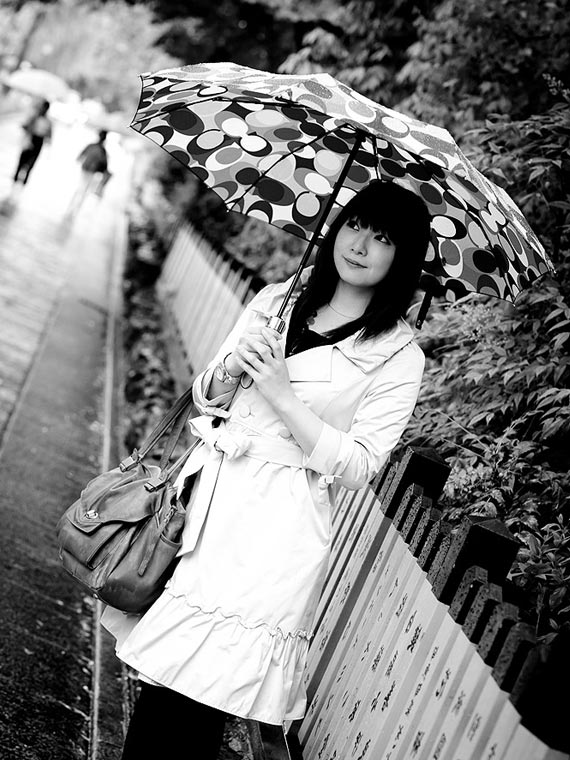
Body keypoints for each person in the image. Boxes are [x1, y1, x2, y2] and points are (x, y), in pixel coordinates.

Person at [101, 179, 432, 759]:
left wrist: (283, 395)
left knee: (197, 699)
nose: (360, 244)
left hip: (275, 534)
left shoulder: (399, 355)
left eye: (382, 238)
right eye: (355, 225)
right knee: (163, 685)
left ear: (401, 257)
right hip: (205, 504)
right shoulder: (280, 297)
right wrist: (230, 368)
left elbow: (358, 465)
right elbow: (207, 397)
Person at [65, 130, 109, 216]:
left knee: (81, 188)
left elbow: (81, 155)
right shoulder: (102, 150)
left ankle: (74, 206)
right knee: (84, 189)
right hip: (91, 170)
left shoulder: (93, 146)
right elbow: (104, 164)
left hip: (86, 168)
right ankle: (76, 207)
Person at [13, 99, 52, 185]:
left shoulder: (48, 122)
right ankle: (16, 176)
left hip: (39, 141)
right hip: (31, 138)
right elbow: (26, 126)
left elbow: (49, 135)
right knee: (23, 158)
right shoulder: (34, 117)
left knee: (32, 160)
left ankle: (25, 179)